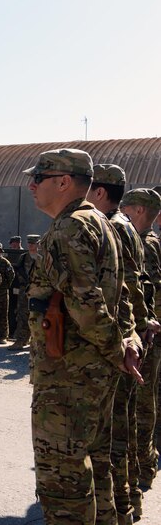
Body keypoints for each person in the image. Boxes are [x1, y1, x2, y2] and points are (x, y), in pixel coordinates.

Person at [24, 148, 142, 524]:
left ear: (63, 182)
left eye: (38, 178)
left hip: (69, 379)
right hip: (93, 374)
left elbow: (87, 304)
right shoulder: (102, 223)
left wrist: (116, 350)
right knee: (94, 470)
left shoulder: (69, 227)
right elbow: (120, 296)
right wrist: (125, 342)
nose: (31, 186)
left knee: (64, 487)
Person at [88, 165, 152, 522]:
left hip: (118, 341)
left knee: (110, 438)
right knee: (119, 433)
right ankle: (128, 507)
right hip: (131, 336)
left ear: (99, 193)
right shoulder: (126, 228)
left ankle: (118, 510)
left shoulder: (112, 227)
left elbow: (124, 290)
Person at [119, 188, 161, 492]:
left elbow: (149, 295)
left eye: (127, 209)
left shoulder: (146, 246)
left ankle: (143, 469)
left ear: (138, 212)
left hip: (148, 336)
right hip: (148, 334)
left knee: (142, 405)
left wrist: (147, 329)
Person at [8, 235, 40, 351]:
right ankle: (21, 340)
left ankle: (36, 341)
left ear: (38, 244)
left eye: (33, 243)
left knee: (38, 316)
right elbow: (17, 272)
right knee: (22, 314)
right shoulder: (23, 257)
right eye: (29, 243)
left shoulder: (42, 257)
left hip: (39, 290)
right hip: (24, 290)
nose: (31, 245)